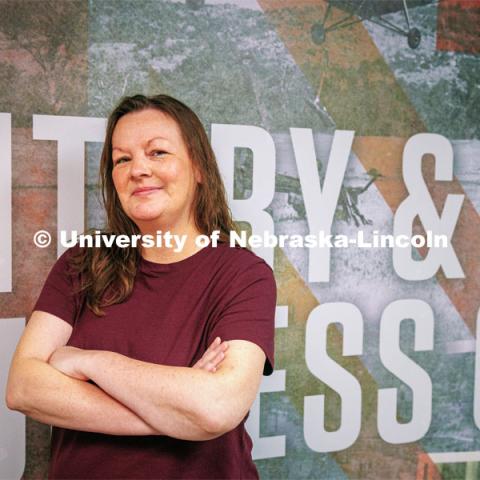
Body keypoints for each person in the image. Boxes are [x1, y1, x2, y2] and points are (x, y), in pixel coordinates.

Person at [6, 94, 277, 479]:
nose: (138, 170)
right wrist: (175, 414)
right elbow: (24, 387)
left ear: (199, 167)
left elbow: (216, 407)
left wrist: (91, 361)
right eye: (122, 159)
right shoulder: (83, 261)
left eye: (158, 153)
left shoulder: (244, 275)